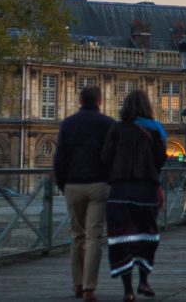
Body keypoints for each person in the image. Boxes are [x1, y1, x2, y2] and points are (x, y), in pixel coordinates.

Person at [101, 90, 167, 302]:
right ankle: (144, 280)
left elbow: (105, 157)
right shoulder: (156, 130)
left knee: (121, 239)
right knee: (147, 236)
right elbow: (161, 159)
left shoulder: (116, 129)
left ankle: (128, 290)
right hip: (146, 190)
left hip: (120, 190)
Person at [55, 85, 117, 302]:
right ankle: (90, 287)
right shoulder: (109, 124)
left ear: (80, 100)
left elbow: (60, 158)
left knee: (76, 236)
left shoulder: (68, 124)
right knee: (94, 237)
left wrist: (63, 184)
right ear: (100, 101)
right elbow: (113, 157)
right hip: (99, 184)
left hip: (73, 184)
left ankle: (77, 284)